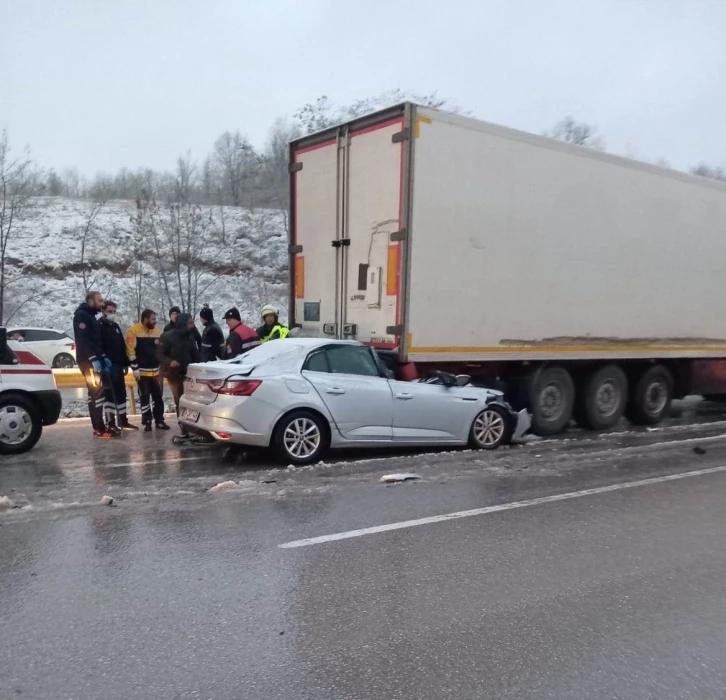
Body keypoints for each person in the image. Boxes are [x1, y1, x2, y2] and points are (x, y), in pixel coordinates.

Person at [73, 290, 115, 439]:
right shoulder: (82, 316)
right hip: (88, 361)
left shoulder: (90, 316)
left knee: (95, 393)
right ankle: (99, 428)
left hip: (94, 359)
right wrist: (93, 358)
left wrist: (102, 356)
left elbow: (94, 341)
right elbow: (83, 340)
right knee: (97, 394)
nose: (102, 303)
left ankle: (97, 426)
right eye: (100, 301)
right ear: (91, 301)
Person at [157, 312, 201, 438]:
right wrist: (170, 362)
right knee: (179, 401)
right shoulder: (167, 336)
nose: (192, 325)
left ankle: (193, 425)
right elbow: (159, 354)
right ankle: (183, 426)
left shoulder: (190, 336)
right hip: (173, 374)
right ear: (183, 323)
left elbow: (195, 353)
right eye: (190, 323)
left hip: (189, 374)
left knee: (191, 402)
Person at [126, 308, 169, 432]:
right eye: (153, 319)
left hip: (156, 371)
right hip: (142, 372)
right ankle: (147, 421)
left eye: (156, 319)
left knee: (158, 397)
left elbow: (160, 351)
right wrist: (134, 368)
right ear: (145, 319)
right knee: (145, 397)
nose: (155, 322)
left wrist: (161, 368)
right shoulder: (133, 331)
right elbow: (130, 350)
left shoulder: (158, 332)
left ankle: (159, 420)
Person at [100, 301, 137, 432]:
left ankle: (123, 420)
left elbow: (121, 345)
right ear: (103, 311)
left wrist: (125, 363)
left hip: (118, 365)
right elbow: (98, 346)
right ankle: (110, 422)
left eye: (114, 311)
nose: (112, 314)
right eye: (110, 311)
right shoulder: (100, 326)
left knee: (121, 394)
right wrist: (103, 361)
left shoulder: (115, 326)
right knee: (109, 395)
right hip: (107, 366)